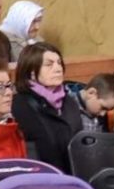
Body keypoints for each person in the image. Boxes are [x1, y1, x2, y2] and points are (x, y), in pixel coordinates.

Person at [11, 42, 85, 172]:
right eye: (49, 64)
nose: (58, 69)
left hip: (73, 176)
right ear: (31, 72)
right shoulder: (20, 105)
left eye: (59, 63)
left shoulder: (69, 102)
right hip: (41, 177)